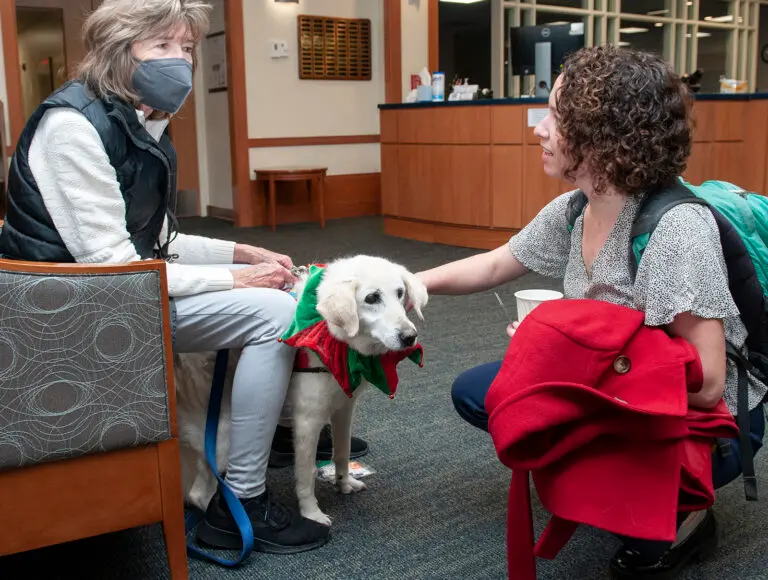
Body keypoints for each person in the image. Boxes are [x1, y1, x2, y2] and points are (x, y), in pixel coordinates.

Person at [0, 0, 367, 554]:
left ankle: (269, 433)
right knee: (272, 313)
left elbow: (160, 242)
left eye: (188, 47)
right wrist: (236, 281)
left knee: (279, 286)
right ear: (118, 52)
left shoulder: (143, 122)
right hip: (70, 310)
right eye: (163, 45)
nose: (182, 61)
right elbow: (118, 270)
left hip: (109, 292)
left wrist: (241, 253)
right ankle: (240, 501)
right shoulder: (72, 127)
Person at [417, 46, 766, 579]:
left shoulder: (676, 229)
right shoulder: (578, 206)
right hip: (621, 384)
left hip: (707, 420)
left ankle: (688, 515)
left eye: (554, 117)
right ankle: (612, 483)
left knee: (550, 419)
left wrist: (560, 346)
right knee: (481, 393)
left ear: (601, 135)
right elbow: (495, 264)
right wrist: (404, 284)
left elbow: (707, 383)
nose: (539, 129)